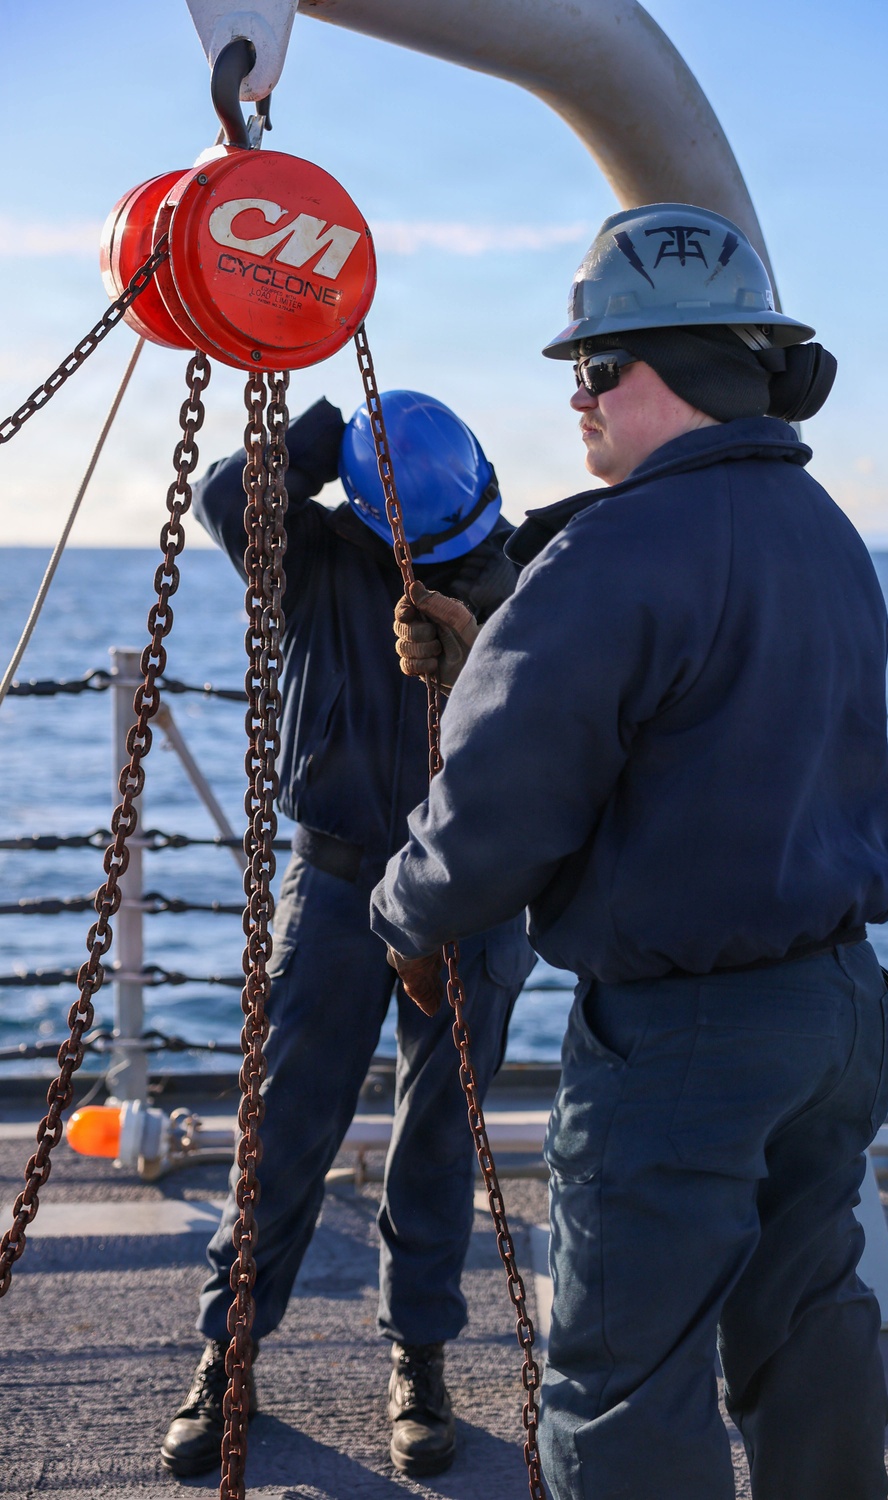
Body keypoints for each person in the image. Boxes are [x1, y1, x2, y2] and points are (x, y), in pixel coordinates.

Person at [372, 204, 888, 1500]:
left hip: (687, 1045)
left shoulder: (615, 554)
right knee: (806, 1318)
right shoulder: (825, 533)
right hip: (838, 1015)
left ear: (673, 371)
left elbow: (500, 806)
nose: (577, 399)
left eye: (594, 368)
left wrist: (402, 911)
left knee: (620, 1388)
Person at [160, 390, 535, 1480]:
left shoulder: (519, 578)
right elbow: (230, 492)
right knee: (281, 1123)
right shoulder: (312, 558)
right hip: (334, 885)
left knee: (439, 1133)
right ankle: (226, 1355)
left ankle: (419, 1358)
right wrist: (331, 428)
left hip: (470, 887)